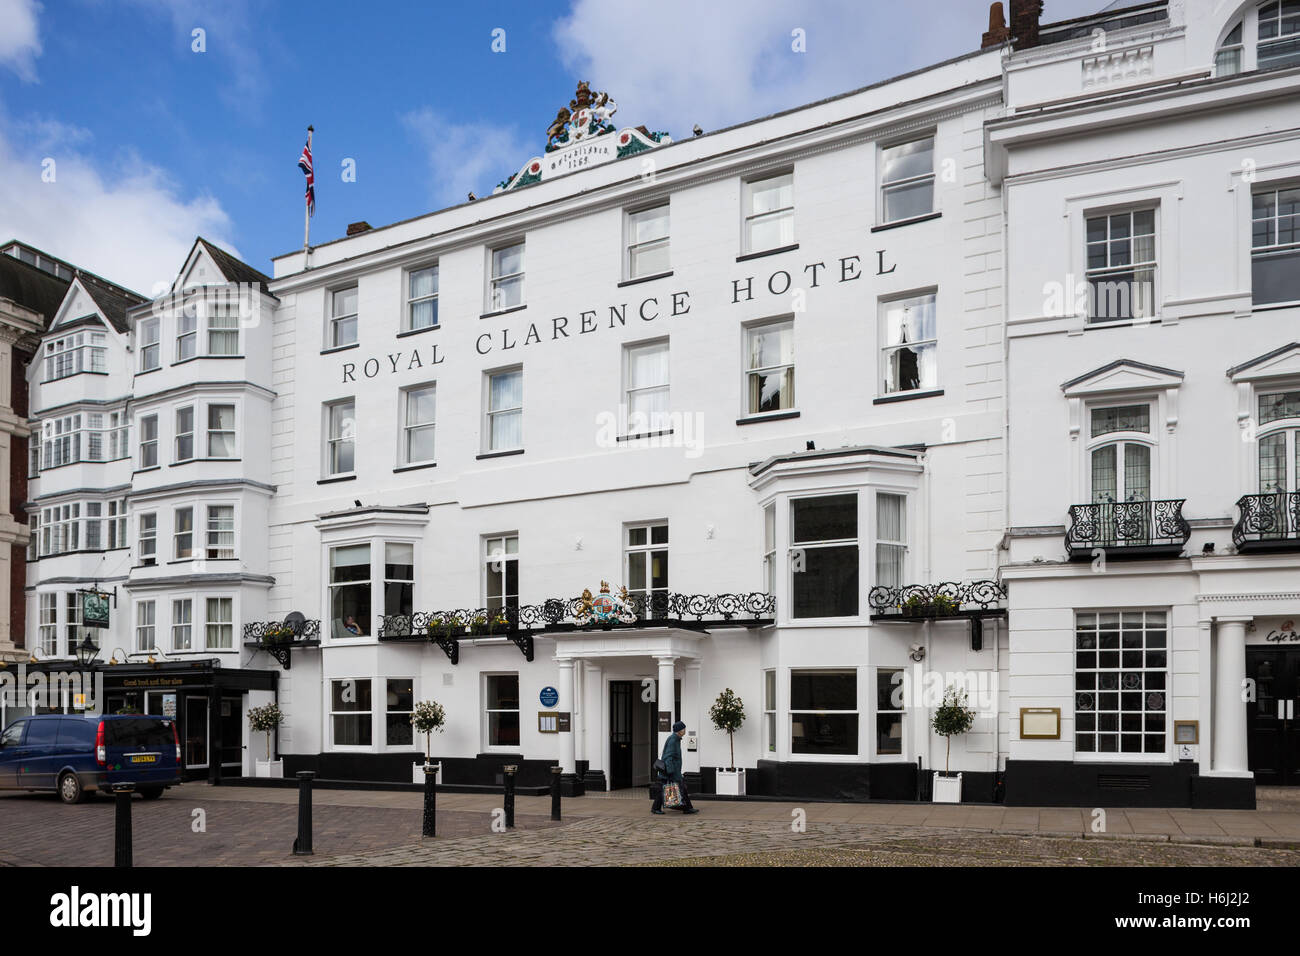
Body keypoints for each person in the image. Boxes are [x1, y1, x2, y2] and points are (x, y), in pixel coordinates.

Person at [651, 721, 698, 815]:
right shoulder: (673, 740)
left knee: (677, 789)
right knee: (678, 788)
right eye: (683, 729)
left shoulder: (675, 739)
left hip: (672, 771)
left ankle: (687, 808)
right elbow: (668, 757)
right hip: (671, 772)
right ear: (679, 730)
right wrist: (670, 772)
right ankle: (686, 808)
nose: (685, 730)